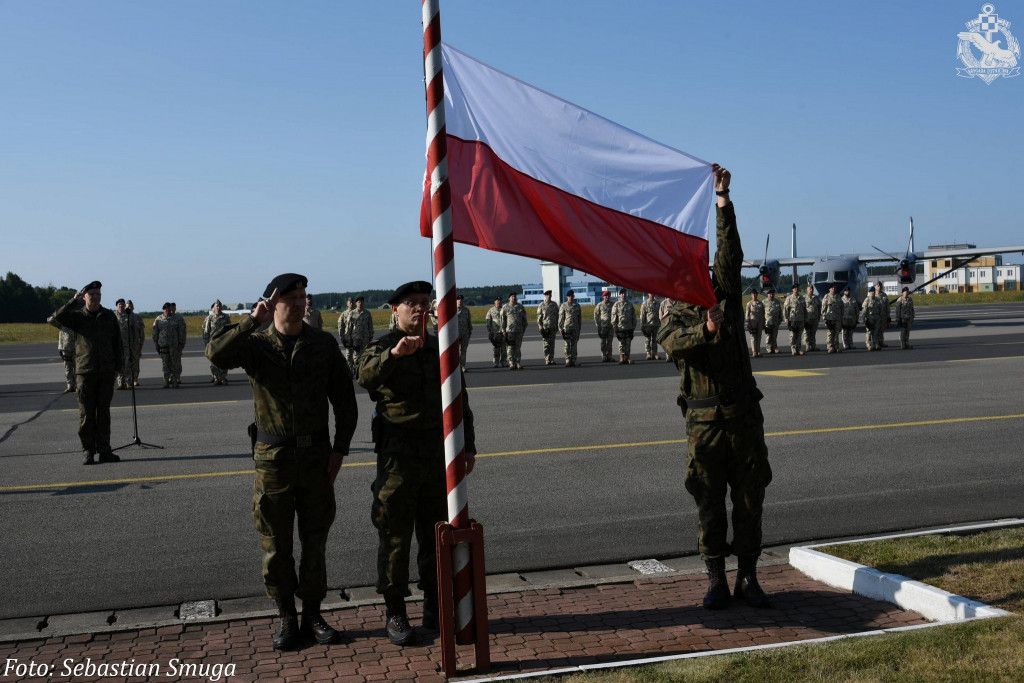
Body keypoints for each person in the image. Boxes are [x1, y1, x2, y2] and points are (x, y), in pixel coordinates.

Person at [206, 273, 357, 651]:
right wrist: (250, 321)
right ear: (274, 303)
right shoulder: (256, 345)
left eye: (303, 296)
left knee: (315, 540)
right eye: (291, 297)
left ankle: (313, 614)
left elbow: (345, 400)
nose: (300, 302)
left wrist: (340, 450)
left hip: (316, 458)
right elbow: (216, 354)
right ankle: (287, 616)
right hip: (273, 459)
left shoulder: (322, 344)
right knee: (275, 544)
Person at [657, 165, 772, 610]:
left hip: (743, 414)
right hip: (704, 421)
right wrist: (706, 329)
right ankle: (715, 580)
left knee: (750, 497)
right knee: (709, 502)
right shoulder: (673, 312)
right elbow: (676, 346)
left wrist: (722, 199)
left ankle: (749, 577)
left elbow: (732, 252)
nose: (700, 270)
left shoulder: (723, 290)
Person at [355, 281, 477, 646]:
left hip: (436, 456)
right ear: (395, 310)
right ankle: (395, 612)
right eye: (412, 303)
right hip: (398, 459)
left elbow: (459, 397)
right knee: (394, 536)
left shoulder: (440, 347)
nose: (420, 309)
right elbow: (364, 376)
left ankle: (434, 608)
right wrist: (395, 355)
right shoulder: (382, 345)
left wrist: (467, 445)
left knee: (435, 534)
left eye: (425, 303)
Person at [51, 281, 123, 465]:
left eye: (98, 294)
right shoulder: (77, 317)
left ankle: (105, 451)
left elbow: (117, 344)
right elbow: (58, 317)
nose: (95, 297)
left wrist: (118, 368)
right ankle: (88, 451)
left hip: (106, 372)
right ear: (84, 297)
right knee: (86, 414)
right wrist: (72, 301)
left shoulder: (108, 316)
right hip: (85, 371)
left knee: (104, 414)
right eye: (91, 294)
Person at [153, 302, 185, 387]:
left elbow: (181, 332)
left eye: (169, 309)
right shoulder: (158, 319)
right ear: (163, 309)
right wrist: (156, 343)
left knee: (174, 364)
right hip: (163, 345)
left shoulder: (177, 319)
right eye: (166, 309)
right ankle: (166, 381)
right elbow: (155, 332)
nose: (168, 311)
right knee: (165, 364)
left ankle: (174, 381)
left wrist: (181, 344)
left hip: (174, 345)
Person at [202, 300, 232, 385]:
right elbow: (206, 331)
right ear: (213, 308)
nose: (218, 308)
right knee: (213, 361)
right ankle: (215, 377)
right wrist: (206, 343)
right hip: (213, 343)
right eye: (217, 306)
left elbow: (229, 329)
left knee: (223, 360)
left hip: (223, 342)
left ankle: (223, 377)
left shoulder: (226, 317)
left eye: (220, 306)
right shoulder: (210, 318)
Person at [47, 313, 78, 393]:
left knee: (77, 367)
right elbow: (50, 320)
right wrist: (59, 312)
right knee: (68, 367)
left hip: (76, 348)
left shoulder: (76, 323)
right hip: (65, 348)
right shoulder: (62, 324)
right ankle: (70, 385)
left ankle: (77, 385)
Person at [500, 292, 527, 370]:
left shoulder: (520, 307)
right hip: (509, 331)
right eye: (512, 296)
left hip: (519, 331)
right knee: (510, 347)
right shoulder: (505, 307)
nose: (514, 298)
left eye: (515, 296)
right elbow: (503, 320)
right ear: (509, 298)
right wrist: (503, 330)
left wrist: (523, 330)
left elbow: (524, 320)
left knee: (518, 347)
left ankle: (518, 362)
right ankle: (511, 363)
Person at [346, 297, 374, 369]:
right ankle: (356, 370)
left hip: (365, 338)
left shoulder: (367, 313)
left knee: (366, 355)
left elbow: (370, 325)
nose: (360, 303)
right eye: (358, 302)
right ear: (356, 303)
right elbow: (349, 327)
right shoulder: (352, 313)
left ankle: (363, 370)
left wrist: (371, 336)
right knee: (356, 356)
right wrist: (348, 338)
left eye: (361, 302)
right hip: (356, 339)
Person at [611, 289, 637, 364]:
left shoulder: (630, 304)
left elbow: (633, 316)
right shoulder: (616, 304)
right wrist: (614, 326)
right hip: (620, 327)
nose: (623, 295)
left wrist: (633, 326)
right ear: (620, 295)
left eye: (625, 294)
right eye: (622, 294)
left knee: (628, 343)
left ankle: (627, 357)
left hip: (629, 327)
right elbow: (613, 316)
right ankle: (622, 358)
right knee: (621, 344)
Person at [113, 299, 134, 390]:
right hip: (116, 345)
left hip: (127, 344)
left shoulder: (128, 315)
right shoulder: (113, 316)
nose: (121, 306)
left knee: (127, 364)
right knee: (119, 364)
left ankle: (128, 382)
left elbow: (133, 330)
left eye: (122, 304)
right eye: (119, 304)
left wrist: (133, 343)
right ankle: (120, 383)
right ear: (116, 306)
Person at [557, 289, 582, 366]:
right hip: (567, 328)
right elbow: (561, 318)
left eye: (572, 296)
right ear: (567, 297)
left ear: (574, 296)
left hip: (575, 328)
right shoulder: (563, 306)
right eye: (569, 296)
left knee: (574, 345)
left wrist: (579, 328)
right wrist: (560, 328)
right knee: (567, 345)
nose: (570, 297)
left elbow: (579, 318)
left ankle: (574, 360)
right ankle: (568, 360)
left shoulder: (577, 306)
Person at [536, 290, 559, 366]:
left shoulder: (554, 305)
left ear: (551, 296)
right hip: (545, 328)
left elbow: (557, 316)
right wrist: (540, 327)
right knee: (546, 344)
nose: (548, 296)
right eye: (547, 295)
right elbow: (539, 317)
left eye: (549, 295)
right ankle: (547, 359)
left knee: (552, 344)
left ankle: (551, 358)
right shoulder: (541, 305)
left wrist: (557, 326)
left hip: (553, 327)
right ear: (545, 296)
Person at [783, 283, 806, 356]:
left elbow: (804, 309)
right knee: (793, 335)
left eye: (797, 288)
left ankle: (799, 348)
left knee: (799, 335)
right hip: (792, 319)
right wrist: (786, 319)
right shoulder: (789, 298)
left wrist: (805, 318)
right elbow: (786, 310)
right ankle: (793, 349)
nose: (796, 289)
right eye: (795, 288)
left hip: (800, 319)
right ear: (792, 289)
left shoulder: (802, 298)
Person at [484, 296, 506, 368]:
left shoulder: (504, 309)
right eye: (497, 300)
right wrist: (490, 331)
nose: (498, 302)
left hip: (504, 332)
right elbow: (488, 322)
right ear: (494, 302)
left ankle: (504, 362)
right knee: (496, 348)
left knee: (504, 348)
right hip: (495, 333)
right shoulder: (491, 310)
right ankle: (496, 362)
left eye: (500, 300)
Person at [820, 284, 842, 354]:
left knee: (836, 333)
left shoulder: (838, 297)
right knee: (830, 333)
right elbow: (823, 308)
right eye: (832, 288)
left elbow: (842, 308)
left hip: (837, 318)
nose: (833, 289)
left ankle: (836, 346)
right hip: (829, 318)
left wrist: (841, 316)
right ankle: (830, 347)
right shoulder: (826, 297)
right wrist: (824, 318)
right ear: (829, 289)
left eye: (834, 288)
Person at [127, 300, 144, 385]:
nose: (129, 308)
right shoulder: (123, 317)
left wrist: (141, 344)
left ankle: (135, 379)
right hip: (125, 345)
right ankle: (127, 380)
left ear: (133, 307)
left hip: (135, 344)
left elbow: (141, 332)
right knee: (126, 364)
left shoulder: (137, 318)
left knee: (135, 363)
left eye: (130, 306)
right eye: (127, 306)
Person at [594, 290, 614, 362]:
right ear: (603, 297)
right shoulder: (600, 305)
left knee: (610, 342)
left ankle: (609, 356)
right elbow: (596, 315)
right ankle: (604, 355)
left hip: (611, 326)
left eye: (608, 296)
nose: (607, 297)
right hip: (603, 327)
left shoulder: (613, 304)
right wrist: (598, 325)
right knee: (603, 342)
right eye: (606, 296)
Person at [640, 293, 660, 360]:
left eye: (653, 293)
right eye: (650, 293)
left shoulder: (657, 303)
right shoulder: (645, 303)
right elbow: (642, 315)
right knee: (647, 340)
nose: (652, 294)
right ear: (648, 294)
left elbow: (660, 314)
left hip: (656, 324)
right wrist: (642, 325)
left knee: (655, 340)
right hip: (648, 325)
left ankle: (655, 353)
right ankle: (648, 353)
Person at [744, 291, 765, 358]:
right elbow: (747, 315)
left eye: (755, 294)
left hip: (760, 321)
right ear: (751, 295)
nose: (754, 295)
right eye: (753, 294)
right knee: (753, 336)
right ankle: (754, 351)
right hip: (753, 322)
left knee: (759, 336)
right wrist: (748, 323)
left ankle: (758, 351)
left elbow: (763, 313)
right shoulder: (749, 304)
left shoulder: (761, 303)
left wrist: (764, 322)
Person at [455, 294, 473, 370]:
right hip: (455, 334)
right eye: (458, 300)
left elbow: (469, 321)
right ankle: (456, 366)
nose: (460, 301)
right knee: (455, 351)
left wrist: (470, 331)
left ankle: (462, 366)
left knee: (463, 350)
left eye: (461, 300)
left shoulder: (466, 310)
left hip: (465, 333)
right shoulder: (452, 310)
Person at [862, 286, 881, 351]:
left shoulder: (878, 299)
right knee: (869, 332)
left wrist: (880, 317)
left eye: (873, 291)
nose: (873, 292)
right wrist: (865, 320)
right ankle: (869, 345)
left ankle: (876, 344)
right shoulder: (867, 300)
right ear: (869, 292)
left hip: (876, 319)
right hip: (869, 319)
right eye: (871, 291)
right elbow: (864, 311)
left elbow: (880, 309)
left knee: (876, 332)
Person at [803, 284, 821, 352]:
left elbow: (819, 307)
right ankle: (807, 346)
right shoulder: (804, 298)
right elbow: (802, 308)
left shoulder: (816, 298)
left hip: (815, 318)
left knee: (813, 333)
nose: (811, 290)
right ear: (807, 290)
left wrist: (819, 316)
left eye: (812, 289)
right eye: (810, 289)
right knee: (807, 333)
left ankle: (813, 346)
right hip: (807, 319)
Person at [763, 290, 782, 354]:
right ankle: (769, 348)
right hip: (768, 322)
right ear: (767, 294)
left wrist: (780, 320)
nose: (771, 295)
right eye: (770, 294)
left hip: (775, 322)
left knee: (774, 335)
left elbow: (780, 311)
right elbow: (762, 313)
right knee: (768, 336)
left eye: (772, 294)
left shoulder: (777, 302)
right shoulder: (764, 302)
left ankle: (774, 347)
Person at [659, 297, 676, 361]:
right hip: (667, 326)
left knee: (675, 340)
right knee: (667, 341)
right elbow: (660, 315)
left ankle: (674, 356)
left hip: (676, 326)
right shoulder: (664, 303)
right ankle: (668, 356)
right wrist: (663, 324)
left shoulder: (677, 302)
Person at [876, 281, 891, 348]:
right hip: (876, 316)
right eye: (878, 286)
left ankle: (881, 342)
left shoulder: (884, 295)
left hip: (883, 316)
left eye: (880, 286)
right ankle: (876, 343)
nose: (879, 287)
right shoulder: (873, 295)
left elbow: (888, 306)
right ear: (875, 287)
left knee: (881, 330)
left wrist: (888, 317)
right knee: (876, 330)